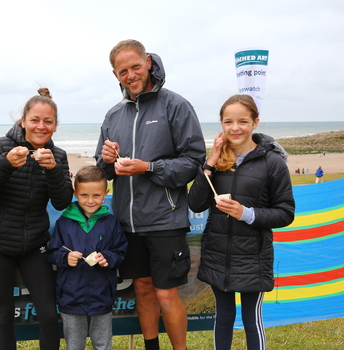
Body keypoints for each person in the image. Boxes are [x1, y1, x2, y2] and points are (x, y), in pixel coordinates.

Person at [95, 39, 206, 350]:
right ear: (115, 75)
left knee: (165, 293)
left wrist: (148, 167)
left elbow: (193, 162)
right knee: (142, 289)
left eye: (135, 66)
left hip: (165, 220)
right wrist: (105, 161)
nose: (130, 75)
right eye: (122, 71)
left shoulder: (176, 105)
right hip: (126, 223)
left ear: (148, 63)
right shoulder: (113, 115)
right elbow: (100, 171)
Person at [188, 94, 295, 350]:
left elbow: (285, 213)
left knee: (251, 319)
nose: (235, 128)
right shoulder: (216, 161)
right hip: (218, 253)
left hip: (252, 256)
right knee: (223, 318)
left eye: (243, 121)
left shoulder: (273, 163)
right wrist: (211, 161)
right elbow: (195, 203)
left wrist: (245, 213)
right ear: (221, 124)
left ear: (255, 123)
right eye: (228, 122)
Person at [0, 88, 72, 350]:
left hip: (34, 245)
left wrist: (52, 170)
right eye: (35, 120)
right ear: (23, 121)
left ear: (55, 126)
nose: (41, 126)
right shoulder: (1, 146)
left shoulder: (58, 156)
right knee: (4, 317)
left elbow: (62, 202)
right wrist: (5, 163)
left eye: (48, 121)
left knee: (50, 316)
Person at [47, 165, 128, 350]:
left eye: (96, 195)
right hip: (71, 297)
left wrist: (107, 257)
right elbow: (52, 253)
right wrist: (65, 257)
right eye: (84, 195)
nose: (90, 201)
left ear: (106, 193)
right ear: (75, 193)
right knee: (74, 345)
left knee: (103, 344)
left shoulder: (112, 223)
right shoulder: (64, 222)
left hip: (102, 296)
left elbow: (120, 252)